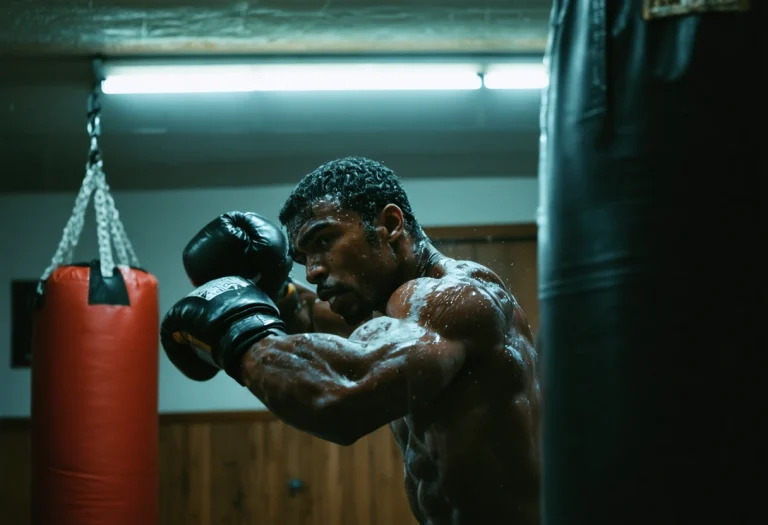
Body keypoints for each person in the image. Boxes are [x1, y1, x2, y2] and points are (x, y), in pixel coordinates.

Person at [161, 156, 541, 525]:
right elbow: (309, 316)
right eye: (303, 258)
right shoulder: (390, 310)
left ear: (390, 224)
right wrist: (274, 291)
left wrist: (236, 331)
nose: (312, 272)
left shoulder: (449, 299)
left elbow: (339, 395)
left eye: (323, 241)